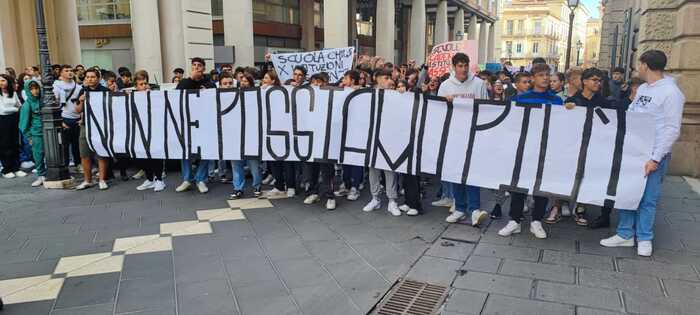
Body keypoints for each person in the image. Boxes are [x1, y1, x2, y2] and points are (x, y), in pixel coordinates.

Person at [600, 50, 685, 257]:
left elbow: (671, 129)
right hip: (634, 151)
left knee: (648, 198)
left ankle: (645, 237)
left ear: (645, 65)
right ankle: (625, 234)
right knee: (628, 193)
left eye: (639, 63)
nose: (637, 67)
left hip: (653, 153)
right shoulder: (645, 88)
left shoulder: (671, 93)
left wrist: (656, 158)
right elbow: (633, 113)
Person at [498, 63, 563, 239]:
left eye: (547, 75)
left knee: (541, 185)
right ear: (533, 78)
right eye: (541, 75)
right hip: (523, 148)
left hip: (545, 149)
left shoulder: (557, 101)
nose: (546, 78)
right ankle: (515, 220)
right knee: (518, 184)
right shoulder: (518, 99)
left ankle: (536, 221)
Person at [546, 68, 611, 226]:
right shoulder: (573, 101)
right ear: (585, 81)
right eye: (594, 80)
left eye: (600, 80)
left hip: (594, 146)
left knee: (587, 176)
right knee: (565, 174)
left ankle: (581, 208)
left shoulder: (603, 102)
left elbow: (609, 123)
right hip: (573, 146)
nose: (598, 83)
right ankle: (557, 206)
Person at [438, 53, 489, 225]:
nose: (463, 69)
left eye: (465, 65)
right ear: (454, 67)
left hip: (474, 134)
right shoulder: (445, 86)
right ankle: (459, 207)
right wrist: (445, 102)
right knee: (455, 172)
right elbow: (438, 111)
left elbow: (486, 108)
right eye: (460, 65)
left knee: (472, 172)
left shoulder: (479, 84)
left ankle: (474, 209)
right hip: (453, 134)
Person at [362, 69, 403, 216]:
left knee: (389, 168)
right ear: (376, 79)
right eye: (385, 78)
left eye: (390, 78)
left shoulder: (394, 95)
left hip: (389, 136)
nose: (389, 81)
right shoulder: (366, 94)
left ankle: (392, 200)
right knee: (373, 168)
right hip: (372, 135)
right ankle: (375, 198)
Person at [175, 57, 216, 193]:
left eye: (199, 65)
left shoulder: (210, 84)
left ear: (204, 68)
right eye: (194, 65)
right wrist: (191, 79)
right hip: (188, 123)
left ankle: (200, 179)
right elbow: (177, 96)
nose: (196, 67)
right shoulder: (185, 82)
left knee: (204, 152)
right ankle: (187, 179)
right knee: (186, 151)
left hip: (205, 124)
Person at [298, 73, 338, 210]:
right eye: (313, 82)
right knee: (310, 170)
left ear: (325, 83)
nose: (316, 84)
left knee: (326, 170)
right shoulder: (305, 98)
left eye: (319, 82)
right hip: (310, 140)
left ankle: (330, 196)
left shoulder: (332, 96)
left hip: (326, 140)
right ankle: (313, 192)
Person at [74, 68, 111, 190]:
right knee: (84, 154)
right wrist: (80, 101)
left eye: (92, 77)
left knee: (101, 152)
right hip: (86, 125)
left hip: (101, 125)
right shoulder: (83, 90)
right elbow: (77, 110)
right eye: (87, 77)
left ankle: (102, 179)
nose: (90, 79)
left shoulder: (105, 91)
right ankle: (87, 180)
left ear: (98, 78)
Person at [230, 73, 263, 199]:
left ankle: (257, 185)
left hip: (251, 135)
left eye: (246, 81)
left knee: (253, 164)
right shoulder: (233, 95)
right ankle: (238, 188)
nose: (243, 83)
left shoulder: (257, 95)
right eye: (241, 81)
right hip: (235, 135)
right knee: (236, 164)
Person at [133, 70, 167, 192]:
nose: (144, 86)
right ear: (136, 86)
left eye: (145, 83)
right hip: (139, 131)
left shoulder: (155, 95)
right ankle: (149, 179)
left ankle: (159, 180)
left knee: (155, 155)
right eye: (141, 84)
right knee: (141, 156)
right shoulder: (132, 97)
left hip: (154, 130)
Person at [334, 70, 363, 201]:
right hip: (343, 131)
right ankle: (346, 184)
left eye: (346, 78)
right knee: (345, 159)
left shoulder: (361, 93)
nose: (343, 80)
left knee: (356, 160)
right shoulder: (341, 91)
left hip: (356, 132)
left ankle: (355, 187)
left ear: (352, 80)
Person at [53, 65, 82, 169]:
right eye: (66, 71)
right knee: (64, 145)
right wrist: (60, 121)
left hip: (77, 118)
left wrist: (81, 118)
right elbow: (55, 105)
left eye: (71, 70)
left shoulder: (78, 87)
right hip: (64, 118)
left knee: (77, 144)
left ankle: (78, 164)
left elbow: (82, 103)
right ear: (61, 73)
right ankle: (64, 167)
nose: (70, 72)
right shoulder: (56, 87)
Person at [19, 79, 46, 186]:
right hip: (36, 134)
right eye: (32, 89)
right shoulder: (27, 105)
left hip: (48, 132)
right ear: (27, 91)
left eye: (36, 88)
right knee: (38, 155)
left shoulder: (43, 100)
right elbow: (23, 124)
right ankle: (41, 175)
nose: (35, 91)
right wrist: (29, 137)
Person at [0, 74, 26, 178]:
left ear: (8, 82)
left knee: (15, 143)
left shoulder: (13, 93)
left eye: (3, 80)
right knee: (5, 145)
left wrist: (15, 109)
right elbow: (3, 110)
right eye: (0, 81)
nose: (1, 83)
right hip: (3, 121)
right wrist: (15, 109)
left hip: (14, 120)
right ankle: (7, 169)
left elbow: (20, 105)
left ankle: (16, 167)